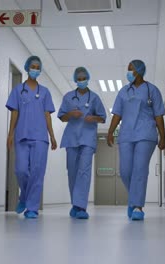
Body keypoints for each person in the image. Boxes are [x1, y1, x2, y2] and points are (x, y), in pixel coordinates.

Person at [107, 59, 165, 221]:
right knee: (125, 171)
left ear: (139, 71)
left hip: (146, 134)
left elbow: (159, 115)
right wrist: (110, 132)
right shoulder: (123, 92)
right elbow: (117, 114)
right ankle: (134, 200)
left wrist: (163, 136)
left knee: (139, 169)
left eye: (130, 69)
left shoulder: (152, 90)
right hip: (126, 134)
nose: (128, 72)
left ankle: (138, 207)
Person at [6, 55, 57, 219]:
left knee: (37, 173)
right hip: (22, 135)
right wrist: (10, 134)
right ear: (27, 68)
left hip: (41, 137)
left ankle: (32, 208)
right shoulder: (18, 90)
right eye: (32, 66)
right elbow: (15, 112)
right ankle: (24, 197)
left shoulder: (45, 92)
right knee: (21, 170)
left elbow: (47, 115)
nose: (35, 69)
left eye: (37, 67)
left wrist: (52, 136)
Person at [58, 67, 106, 219]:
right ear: (75, 80)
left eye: (84, 78)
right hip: (72, 139)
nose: (81, 80)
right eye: (79, 78)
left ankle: (81, 207)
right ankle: (75, 204)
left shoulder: (95, 98)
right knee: (72, 172)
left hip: (87, 138)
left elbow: (103, 117)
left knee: (84, 172)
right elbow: (62, 117)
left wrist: (94, 118)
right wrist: (71, 114)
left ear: (88, 78)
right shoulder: (68, 97)